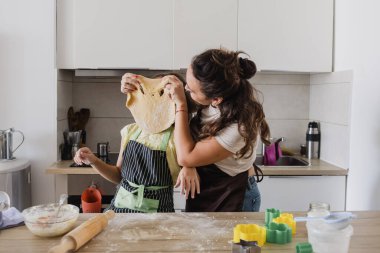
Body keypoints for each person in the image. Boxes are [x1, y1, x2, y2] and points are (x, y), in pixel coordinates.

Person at [164, 48, 270, 212]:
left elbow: (186, 156)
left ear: (216, 99)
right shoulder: (216, 98)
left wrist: (181, 105)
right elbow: (189, 149)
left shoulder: (239, 126)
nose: (186, 90)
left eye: (191, 91)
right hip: (208, 190)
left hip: (234, 195)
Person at [74, 73, 194, 213]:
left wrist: (189, 166)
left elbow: (189, 158)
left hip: (157, 217)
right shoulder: (131, 131)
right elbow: (118, 175)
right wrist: (93, 160)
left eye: (163, 93)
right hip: (119, 212)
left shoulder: (178, 137)